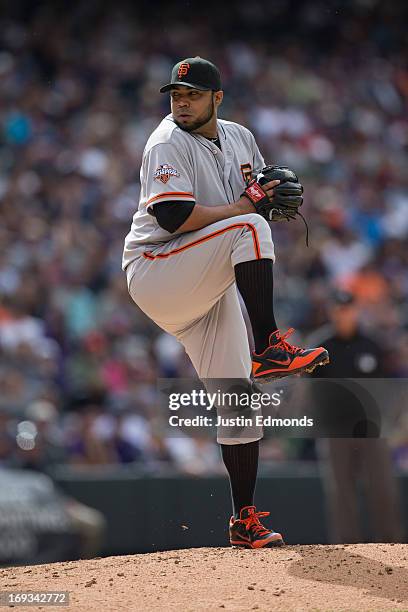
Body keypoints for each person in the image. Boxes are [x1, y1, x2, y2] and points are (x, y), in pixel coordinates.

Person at [122, 57, 329, 549]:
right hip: (158, 268)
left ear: (217, 97)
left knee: (238, 398)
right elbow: (173, 216)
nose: (181, 102)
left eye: (191, 94)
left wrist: (271, 195)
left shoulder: (240, 137)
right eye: (176, 94)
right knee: (248, 226)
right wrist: (249, 209)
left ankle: (243, 520)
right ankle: (271, 346)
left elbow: (257, 203)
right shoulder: (166, 142)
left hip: (205, 285)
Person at [309, 289, 403, 543]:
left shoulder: (373, 344)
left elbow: (390, 385)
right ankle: (346, 546)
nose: (343, 315)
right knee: (341, 492)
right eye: (338, 310)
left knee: (382, 487)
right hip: (336, 429)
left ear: (355, 310)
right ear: (331, 312)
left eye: (347, 309)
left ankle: (390, 544)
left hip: (371, 427)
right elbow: (309, 391)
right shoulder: (320, 347)